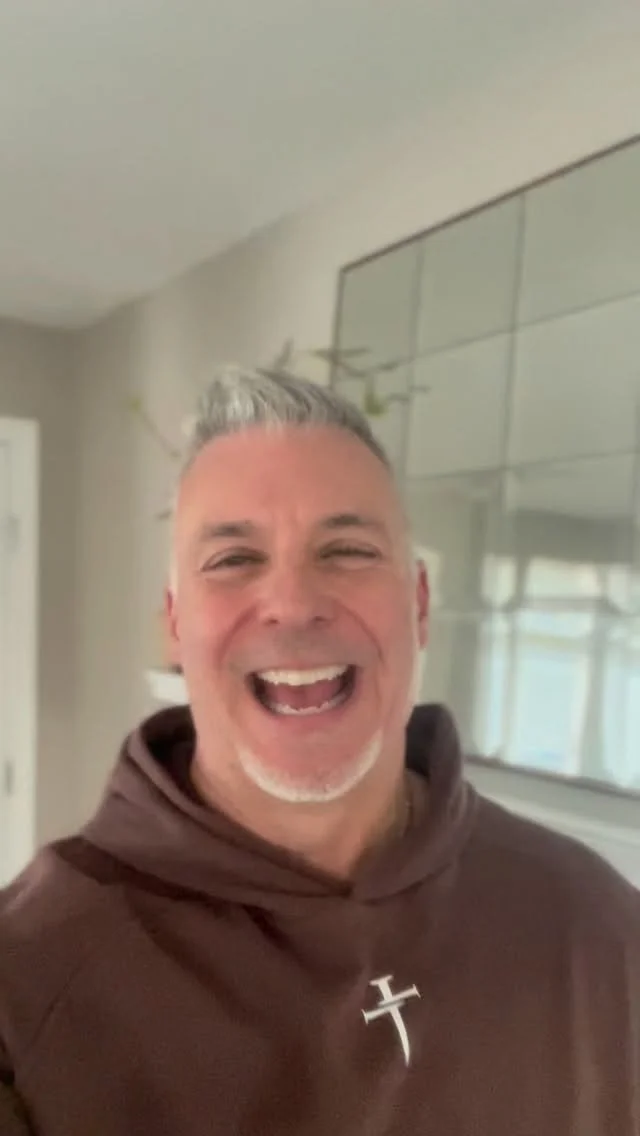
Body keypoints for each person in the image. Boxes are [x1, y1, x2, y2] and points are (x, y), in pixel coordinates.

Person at [0, 367, 638, 1136]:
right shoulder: (26, 987)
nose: (295, 603)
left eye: (346, 550)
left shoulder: (596, 924)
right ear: (175, 624)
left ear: (419, 605)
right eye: (233, 560)